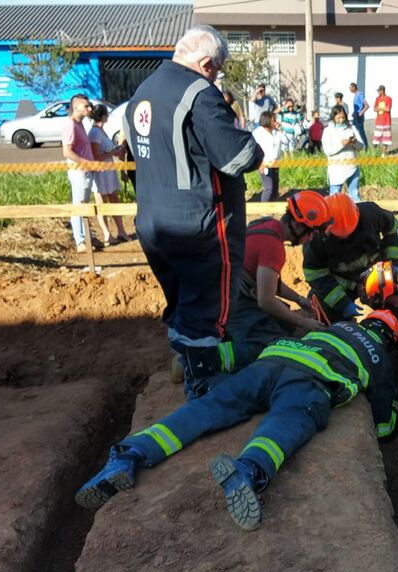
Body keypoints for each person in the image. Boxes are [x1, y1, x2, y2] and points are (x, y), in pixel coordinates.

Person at [75, 310, 398, 531]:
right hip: (311, 382)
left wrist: (211, 359)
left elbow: (252, 347)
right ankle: (249, 468)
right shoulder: (377, 354)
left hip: (269, 364)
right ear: (388, 338)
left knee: (207, 408)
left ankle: (128, 455)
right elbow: (385, 422)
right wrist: (386, 429)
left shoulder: (323, 329)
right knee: (288, 422)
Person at [123, 25, 263, 400]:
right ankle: (204, 391)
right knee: (207, 306)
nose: (216, 76)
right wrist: (254, 144)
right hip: (198, 223)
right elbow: (237, 156)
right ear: (205, 63)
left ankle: (183, 362)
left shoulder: (143, 92)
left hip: (154, 221)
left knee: (181, 299)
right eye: (216, 69)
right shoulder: (200, 93)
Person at [225, 191, 329, 371]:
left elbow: (267, 282)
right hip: (230, 301)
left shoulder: (268, 225)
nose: (310, 238)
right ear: (297, 225)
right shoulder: (273, 247)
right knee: (271, 347)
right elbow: (266, 301)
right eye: (310, 232)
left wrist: (298, 299)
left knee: (284, 321)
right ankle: (206, 358)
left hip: (232, 291)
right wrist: (303, 322)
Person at [304, 193, 398, 323]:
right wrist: (342, 304)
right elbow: (316, 275)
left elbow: (393, 229)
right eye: (339, 235)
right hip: (340, 283)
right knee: (323, 309)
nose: (345, 237)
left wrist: (393, 264)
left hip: (374, 275)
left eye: (351, 232)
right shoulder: (315, 238)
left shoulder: (371, 214)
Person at [62, 94, 102, 253]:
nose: (90, 108)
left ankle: (86, 237)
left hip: (85, 171)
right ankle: (80, 241)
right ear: (76, 107)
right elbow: (67, 151)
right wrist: (85, 163)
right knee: (78, 206)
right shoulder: (70, 124)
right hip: (79, 172)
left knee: (83, 205)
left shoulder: (79, 124)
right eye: (86, 106)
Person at [88, 104, 131, 245]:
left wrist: (118, 150)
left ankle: (121, 231)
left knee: (114, 200)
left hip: (109, 171)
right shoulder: (94, 133)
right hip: (101, 172)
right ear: (103, 116)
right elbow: (96, 156)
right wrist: (113, 152)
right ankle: (107, 234)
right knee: (102, 203)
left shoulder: (101, 131)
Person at [322, 105, 363, 201]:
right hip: (336, 170)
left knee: (355, 196)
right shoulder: (328, 131)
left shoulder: (351, 128)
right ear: (333, 117)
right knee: (334, 198)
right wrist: (342, 144)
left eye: (343, 117)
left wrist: (354, 143)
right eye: (338, 118)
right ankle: (333, 216)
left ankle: (358, 215)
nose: (341, 120)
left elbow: (361, 147)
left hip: (352, 167)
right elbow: (328, 151)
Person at [251, 111, 282, 201]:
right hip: (264, 164)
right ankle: (264, 210)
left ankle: (271, 209)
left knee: (275, 189)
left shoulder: (275, 132)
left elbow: (285, 142)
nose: (275, 122)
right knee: (269, 188)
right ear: (267, 120)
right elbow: (253, 148)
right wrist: (259, 162)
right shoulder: (258, 132)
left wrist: (279, 130)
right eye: (273, 120)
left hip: (275, 163)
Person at [372, 85, 392, 157]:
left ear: (382, 90)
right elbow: (374, 109)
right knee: (376, 138)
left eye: (379, 91)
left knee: (386, 138)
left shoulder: (389, 99)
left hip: (386, 121)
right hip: (379, 121)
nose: (378, 92)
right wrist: (382, 108)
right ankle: (374, 153)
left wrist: (379, 108)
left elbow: (388, 109)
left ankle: (383, 154)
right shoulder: (377, 99)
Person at [349, 82, 369, 147]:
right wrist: (354, 112)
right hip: (355, 116)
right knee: (353, 130)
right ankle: (356, 146)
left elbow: (366, 106)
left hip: (358, 117)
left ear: (354, 87)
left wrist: (361, 113)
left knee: (361, 132)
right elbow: (359, 106)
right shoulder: (356, 94)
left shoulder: (359, 94)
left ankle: (366, 146)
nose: (350, 90)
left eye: (350, 88)